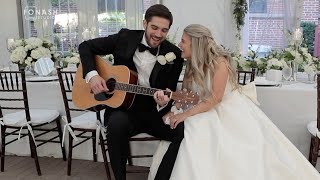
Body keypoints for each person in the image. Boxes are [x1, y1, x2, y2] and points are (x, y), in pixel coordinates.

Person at [148, 24, 320, 180]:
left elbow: (215, 98)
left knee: (196, 132)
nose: (179, 44)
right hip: (204, 106)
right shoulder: (191, 62)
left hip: (224, 108)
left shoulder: (219, 63)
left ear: (196, 43)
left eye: (183, 41)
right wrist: (176, 108)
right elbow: (186, 92)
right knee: (181, 128)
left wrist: (185, 114)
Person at [78, 4, 184, 180]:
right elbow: (85, 47)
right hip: (122, 109)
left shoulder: (174, 54)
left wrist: (163, 102)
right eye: (154, 27)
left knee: (181, 132)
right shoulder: (125, 38)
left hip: (152, 112)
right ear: (145, 23)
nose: (158, 34)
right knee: (116, 124)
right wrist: (93, 76)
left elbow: (170, 90)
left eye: (164, 30)